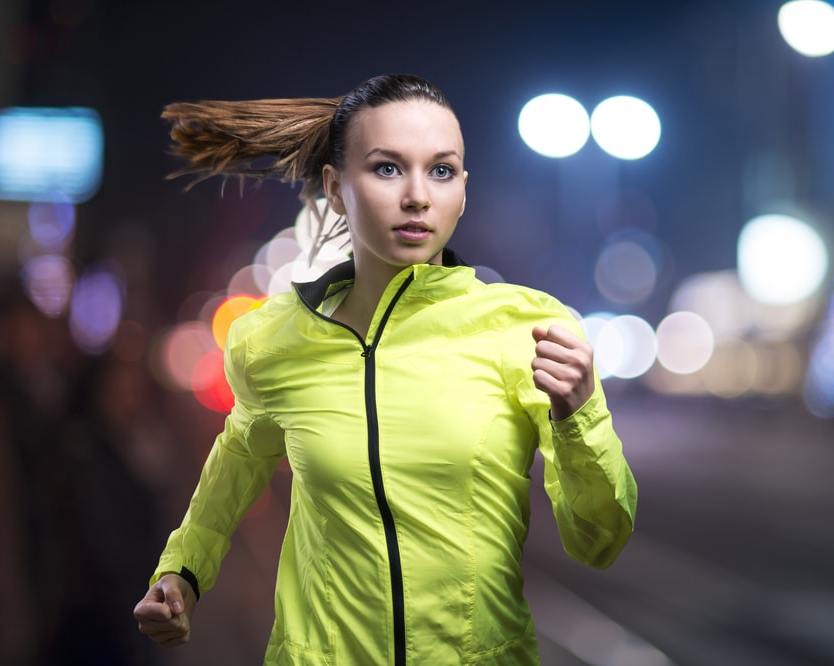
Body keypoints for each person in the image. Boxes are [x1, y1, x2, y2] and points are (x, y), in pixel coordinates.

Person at [133, 73, 637, 665]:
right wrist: (183, 574)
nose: (418, 195)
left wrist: (581, 419)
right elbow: (240, 458)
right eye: (388, 168)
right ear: (336, 187)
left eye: (441, 170)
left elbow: (599, 541)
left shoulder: (527, 329)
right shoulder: (275, 338)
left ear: (464, 189)